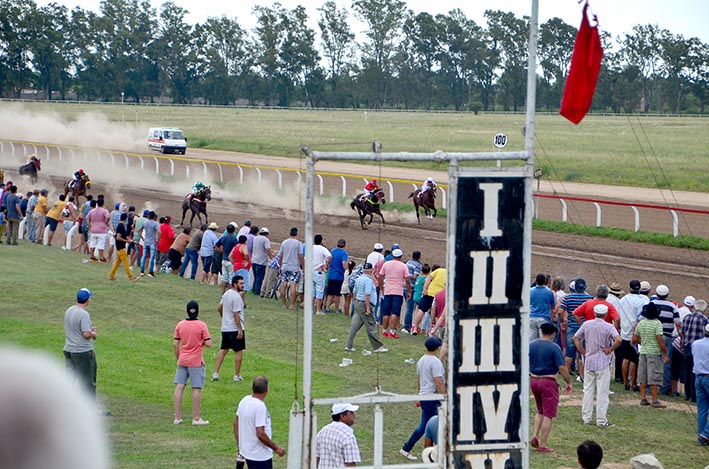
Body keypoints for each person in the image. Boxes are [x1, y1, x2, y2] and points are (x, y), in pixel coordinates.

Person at [573, 304, 621, 427]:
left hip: (589, 361)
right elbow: (618, 339)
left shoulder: (587, 324)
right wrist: (610, 349)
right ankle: (601, 420)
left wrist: (583, 352)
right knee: (602, 392)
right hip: (603, 361)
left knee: (588, 390)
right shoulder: (608, 326)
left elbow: (576, 338)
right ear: (605, 315)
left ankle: (587, 418)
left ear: (594, 313)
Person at [400, 336, 445, 461]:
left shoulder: (421, 360)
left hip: (425, 395)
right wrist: (445, 396)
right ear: (437, 348)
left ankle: (406, 448)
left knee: (425, 425)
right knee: (437, 423)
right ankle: (435, 450)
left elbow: (419, 380)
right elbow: (438, 382)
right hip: (433, 397)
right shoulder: (436, 362)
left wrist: (419, 394)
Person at [530, 322, 572, 453]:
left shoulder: (531, 345)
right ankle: (543, 444)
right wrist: (568, 381)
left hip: (534, 380)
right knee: (548, 414)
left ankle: (535, 436)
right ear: (553, 334)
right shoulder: (554, 347)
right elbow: (562, 367)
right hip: (548, 381)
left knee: (540, 410)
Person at [173, 300, 212, 426]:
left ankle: (177, 417)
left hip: (182, 360)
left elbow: (175, 344)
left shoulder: (180, 325)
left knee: (179, 387)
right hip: (195, 361)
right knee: (196, 388)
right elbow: (209, 344)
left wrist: (178, 357)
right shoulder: (201, 325)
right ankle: (196, 418)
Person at [234, 376, 286, 468]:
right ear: (267, 390)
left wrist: (240, 446)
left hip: (246, 452)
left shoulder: (244, 400)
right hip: (259, 456)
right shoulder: (260, 407)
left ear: (252, 388)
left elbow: (235, 424)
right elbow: (260, 433)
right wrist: (276, 448)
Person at [632, 302, 670, 408]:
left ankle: (643, 398)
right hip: (654, 353)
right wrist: (665, 354)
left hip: (643, 352)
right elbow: (660, 339)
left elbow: (635, 339)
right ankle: (655, 400)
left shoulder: (641, 323)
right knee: (654, 377)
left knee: (643, 377)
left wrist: (643, 343)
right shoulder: (657, 323)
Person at [63, 288, 99, 398]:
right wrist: (93, 333)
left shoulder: (69, 310)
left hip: (69, 349)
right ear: (87, 300)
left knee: (69, 379)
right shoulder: (84, 314)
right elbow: (86, 334)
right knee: (87, 381)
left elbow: (74, 327)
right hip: (82, 351)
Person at [345, 263, 388, 354]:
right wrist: (368, 308)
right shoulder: (368, 281)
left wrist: (355, 302)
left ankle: (348, 345)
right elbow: (367, 294)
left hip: (358, 303)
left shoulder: (359, 279)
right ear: (371, 270)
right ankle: (377, 347)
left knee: (354, 326)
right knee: (371, 325)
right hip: (365, 304)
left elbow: (355, 292)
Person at [213, 275, 246, 382]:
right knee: (238, 350)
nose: (243, 285)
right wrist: (239, 329)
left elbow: (219, 307)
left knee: (223, 349)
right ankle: (237, 375)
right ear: (235, 284)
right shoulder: (236, 297)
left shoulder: (226, 294)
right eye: (240, 283)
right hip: (234, 328)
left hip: (225, 328)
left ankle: (215, 373)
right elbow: (236, 313)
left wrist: (224, 317)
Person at [559, 278, 594, 383]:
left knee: (569, 352)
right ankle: (581, 373)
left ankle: (566, 372)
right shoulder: (590, 298)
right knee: (582, 351)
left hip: (572, 327)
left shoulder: (568, 297)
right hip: (584, 327)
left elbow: (561, 311)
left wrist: (562, 320)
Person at [649, 285, 681, 396]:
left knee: (651, 359)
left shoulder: (651, 304)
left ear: (657, 294)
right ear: (667, 295)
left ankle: (650, 385)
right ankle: (664, 387)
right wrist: (681, 337)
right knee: (666, 361)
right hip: (666, 336)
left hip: (652, 335)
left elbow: (642, 319)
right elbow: (677, 323)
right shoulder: (672, 307)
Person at [315, 403, 361, 468]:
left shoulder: (322, 432)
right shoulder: (348, 436)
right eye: (351, 413)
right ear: (342, 416)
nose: (354, 415)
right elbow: (351, 464)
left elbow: (316, 458)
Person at [682, 299, 708, 403]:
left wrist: (683, 341)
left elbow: (682, 331)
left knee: (688, 370)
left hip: (687, 346)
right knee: (695, 371)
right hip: (699, 348)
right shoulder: (704, 319)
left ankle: (687, 394)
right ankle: (694, 396)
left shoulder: (687, 317)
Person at [108, 212, 140, 282]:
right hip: (121, 247)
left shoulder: (121, 226)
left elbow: (124, 236)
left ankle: (111, 275)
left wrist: (132, 241)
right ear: (126, 219)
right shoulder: (120, 226)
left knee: (117, 262)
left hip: (121, 246)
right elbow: (118, 237)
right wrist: (126, 241)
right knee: (126, 262)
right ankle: (131, 277)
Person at [279, 227, 304, 311]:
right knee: (293, 285)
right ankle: (292, 305)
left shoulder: (284, 243)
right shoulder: (298, 243)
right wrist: (303, 267)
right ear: (296, 234)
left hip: (285, 266)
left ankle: (283, 304)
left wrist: (280, 265)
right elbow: (300, 256)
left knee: (283, 285)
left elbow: (281, 255)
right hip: (294, 267)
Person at [692, 323, 709, 445]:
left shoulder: (696, 344)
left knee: (702, 409)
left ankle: (702, 437)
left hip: (698, 377)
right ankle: (706, 434)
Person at [530, 273, 556, 341]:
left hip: (532, 317)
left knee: (532, 342)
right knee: (544, 341)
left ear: (536, 281)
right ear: (545, 281)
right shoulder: (549, 292)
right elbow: (553, 306)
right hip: (544, 318)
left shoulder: (530, 291)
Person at [325, 239, 348, 314]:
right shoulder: (344, 253)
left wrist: (327, 266)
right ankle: (336, 309)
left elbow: (329, 259)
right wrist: (347, 270)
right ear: (344, 245)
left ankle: (327, 308)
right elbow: (344, 263)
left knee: (330, 293)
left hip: (331, 274)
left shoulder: (332, 251)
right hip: (339, 276)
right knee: (337, 294)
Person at [86, 198, 111, 262]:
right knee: (101, 244)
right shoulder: (104, 210)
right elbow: (108, 217)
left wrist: (89, 226)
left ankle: (92, 256)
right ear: (103, 203)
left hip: (93, 228)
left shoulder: (92, 211)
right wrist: (105, 222)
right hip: (102, 229)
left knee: (93, 243)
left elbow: (87, 218)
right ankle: (101, 257)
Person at [251, 227, 272, 296]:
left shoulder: (256, 238)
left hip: (254, 260)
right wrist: (271, 257)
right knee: (260, 277)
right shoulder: (266, 240)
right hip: (261, 261)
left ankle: (254, 289)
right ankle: (257, 291)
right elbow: (268, 249)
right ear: (267, 234)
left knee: (256, 277)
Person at [138, 211, 160, 277]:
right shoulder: (155, 224)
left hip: (146, 241)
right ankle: (150, 272)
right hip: (153, 241)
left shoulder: (145, 223)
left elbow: (139, 230)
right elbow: (159, 232)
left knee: (144, 256)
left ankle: (142, 271)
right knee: (152, 257)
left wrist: (142, 237)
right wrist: (158, 239)